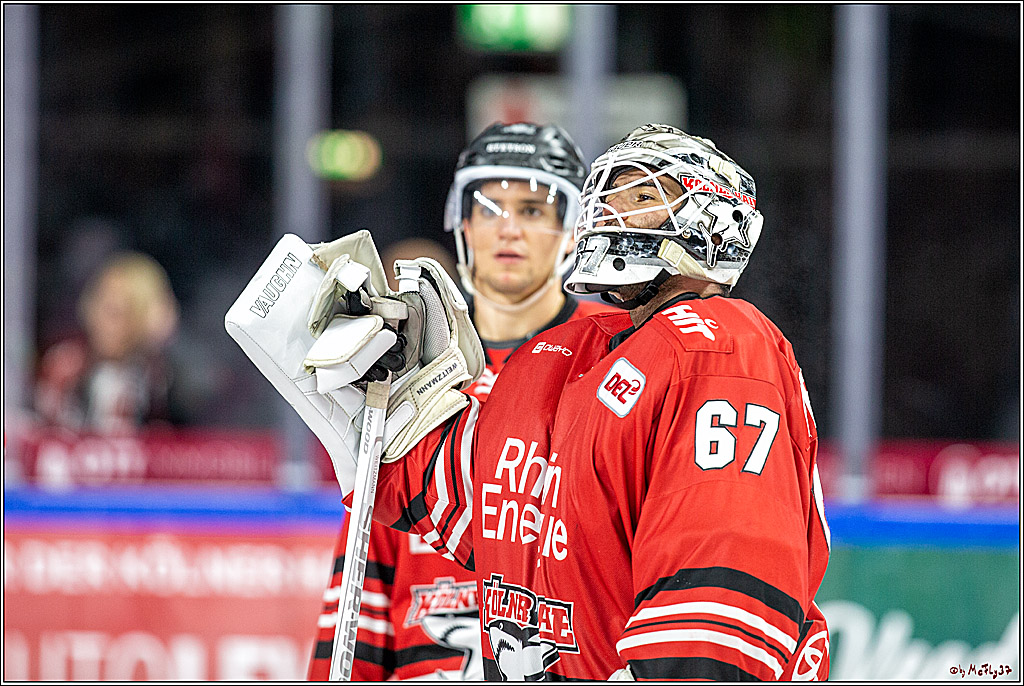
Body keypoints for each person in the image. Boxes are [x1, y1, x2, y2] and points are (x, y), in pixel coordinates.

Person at [234, 123, 830, 681]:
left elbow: (714, 609)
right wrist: (382, 419)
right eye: (610, 195)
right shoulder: (559, 358)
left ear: (711, 224)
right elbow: (479, 503)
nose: (612, 212)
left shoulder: (721, 349)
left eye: (644, 196)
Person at [306, 122, 615, 681]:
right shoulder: (411, 357)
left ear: (573, 229)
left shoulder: (620, 357)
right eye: (490, 209)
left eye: (532, 210)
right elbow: (370, 540)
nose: (508, 229)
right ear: (464, 223)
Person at [34, 251, 180, 434]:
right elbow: (47, 435)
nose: (103, 321)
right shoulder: (66, 365)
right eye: (100, 304)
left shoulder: (157, 375)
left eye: (119, 313)